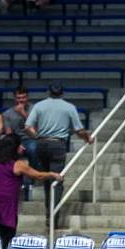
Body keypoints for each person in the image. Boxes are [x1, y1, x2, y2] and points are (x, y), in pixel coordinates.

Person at [0, 135, 61, 248]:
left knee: (2, 228)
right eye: (20, 145)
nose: (23, 148)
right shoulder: (17, 165)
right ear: (13, 148)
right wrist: (53, 174)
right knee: (8, 230)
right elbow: (38, 175)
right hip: (5, 200)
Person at [25, 81, 93, 213]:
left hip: (42, 143)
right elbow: (79, 130)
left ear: (48, 92)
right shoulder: (69, 107)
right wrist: (88, 138)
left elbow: (27, 127)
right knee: (57, 180)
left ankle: (48, 211)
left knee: (46, 178)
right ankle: (53, 214)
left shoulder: (39, 105)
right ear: (62, 93)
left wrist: (37, 136)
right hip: (57, 144)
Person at [2, 86, 35, 160]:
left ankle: (34, 170)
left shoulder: (34, 109)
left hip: (31, 139)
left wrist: (23, 113)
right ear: (14, 98)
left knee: (33, 148)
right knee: (7, 147)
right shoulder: (7, 114)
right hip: (15, 140)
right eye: (18, 98)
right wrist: (17, 144)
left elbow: (35, 127)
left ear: (27, 97)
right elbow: (9, 132)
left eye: (23, 97)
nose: (21, 100)